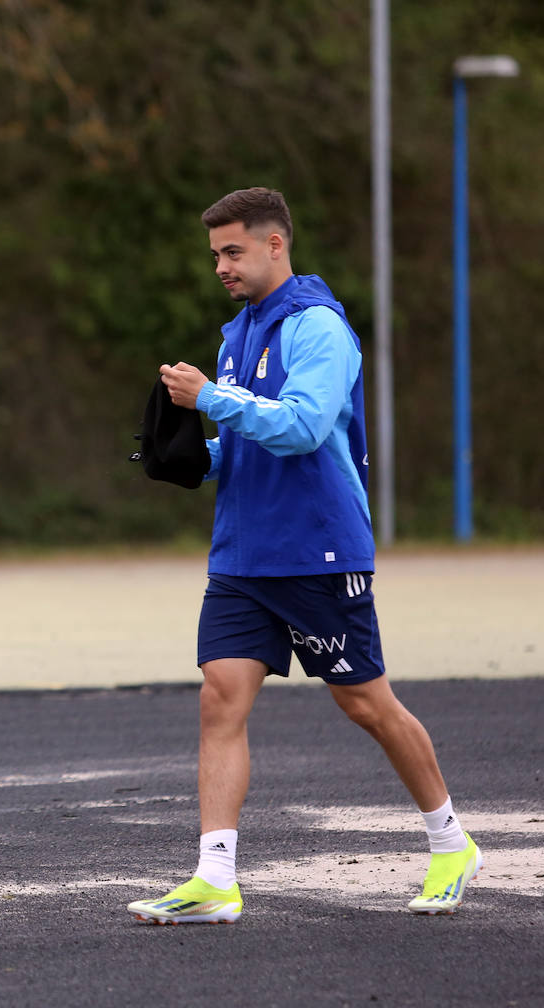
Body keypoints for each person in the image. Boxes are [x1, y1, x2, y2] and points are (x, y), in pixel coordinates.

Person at [127, 187, 481, 924]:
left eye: (233, 251)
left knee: (366, 703)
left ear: (274, 245)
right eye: (216, 253)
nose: (221, 265)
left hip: (317, 551)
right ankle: (216, 878)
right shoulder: (237, 334)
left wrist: (212, 400)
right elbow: (254, 443)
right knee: (219, 698)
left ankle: (451, 844)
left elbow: (303, 429)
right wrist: (195, 460)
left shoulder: (319, 328)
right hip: (243, 556)